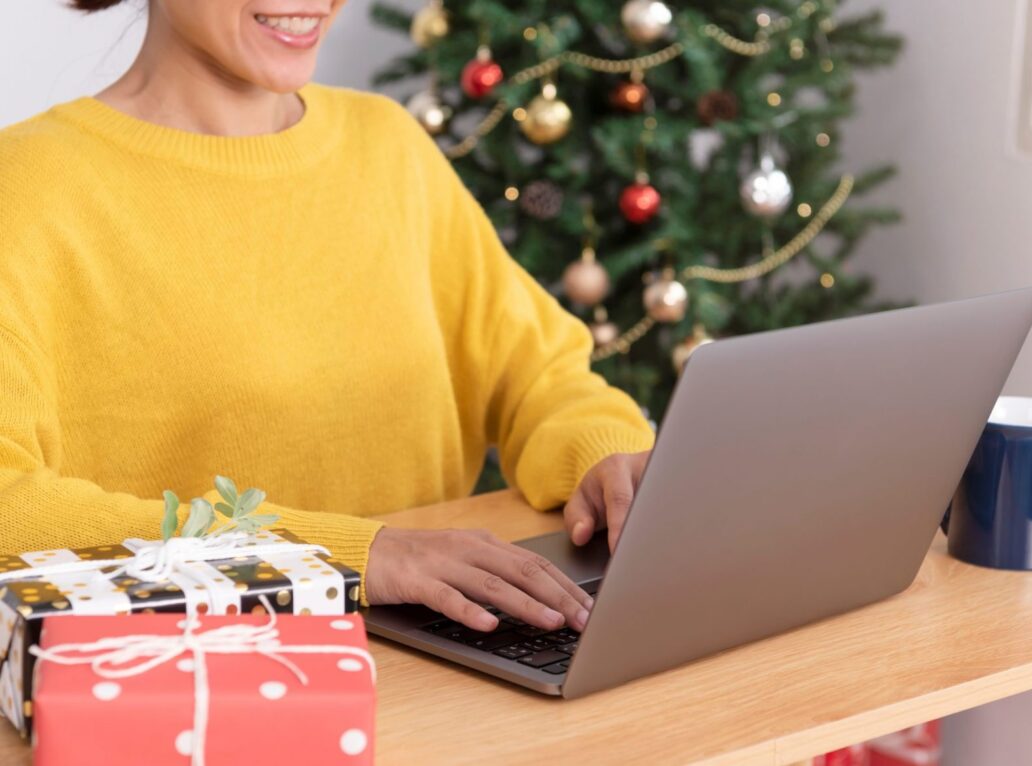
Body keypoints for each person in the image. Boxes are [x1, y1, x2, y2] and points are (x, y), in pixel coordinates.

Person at [0, 0, 655, 635]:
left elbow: (536, 371)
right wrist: (348, 557)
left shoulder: (387, 142)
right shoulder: (27, 187)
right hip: (210, 684)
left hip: (453, 658)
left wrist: (603, 456)